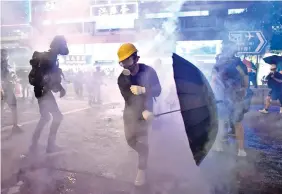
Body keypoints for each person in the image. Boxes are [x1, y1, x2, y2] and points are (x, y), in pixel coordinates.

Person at [117, 43, 161, 186]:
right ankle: (143, 151)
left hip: (146, 110)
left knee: (143, 141)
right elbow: (129, 99)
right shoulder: (122, 78)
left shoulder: (149, 71)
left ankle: (142, 170)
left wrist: (143, 91)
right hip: (130, 112)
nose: (126, 66)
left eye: (128, 61)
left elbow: (158, 90)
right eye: (122, 63)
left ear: (136, 58)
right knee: (130, 140)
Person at [29, 35, 68, 153]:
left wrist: (58, 86)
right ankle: (50, 146)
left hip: (40, 90)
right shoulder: (50, 57)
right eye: (63, 44)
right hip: (43, 91)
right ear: (58, 45)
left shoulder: (49, 55)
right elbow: (48, 78)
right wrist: (60, 88)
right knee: (58, 117)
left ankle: (34, 142)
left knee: (45, 117)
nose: (65, 47)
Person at [211, 41, 249, 157]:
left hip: (221, 97)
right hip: (236, 97)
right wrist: (243, 91)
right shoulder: (238, 63)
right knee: (237, 123)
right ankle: (241, 150)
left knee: (221, 121)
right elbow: (246, 81)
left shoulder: (218, 63)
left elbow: (213, 81)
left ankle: (218, 145)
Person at [1, 49, 23, 133]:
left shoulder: (8, 65)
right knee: (11, 107)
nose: (5, 56)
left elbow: (11, 75)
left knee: (9, 107)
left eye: (5, 54)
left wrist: (14, 78)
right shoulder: (4, 65)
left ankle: (15, 126)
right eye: (3, 54)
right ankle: (15, 126)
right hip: (5, 89)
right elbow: (7, 76)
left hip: (7, 89)